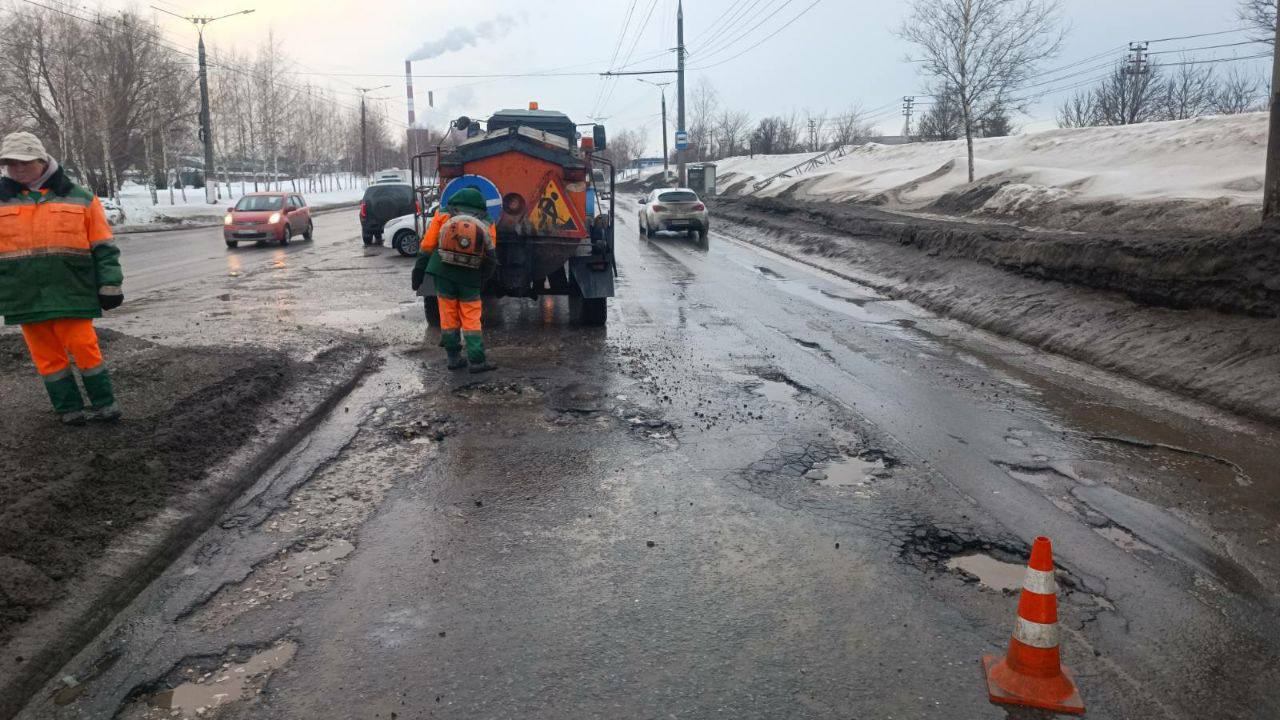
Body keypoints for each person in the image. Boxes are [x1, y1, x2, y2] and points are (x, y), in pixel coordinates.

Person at [0, 132, 124, 425]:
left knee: (84, 346)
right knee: (47, 357)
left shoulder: (80, 197)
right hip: (24, 294)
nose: (17, 169)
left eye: (24, 162)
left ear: (42, 161)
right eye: (9, 163)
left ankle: (105, 403)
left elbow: (104, 247)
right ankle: (69, 409)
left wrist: (111, 284)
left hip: (72, 289)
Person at [411, 188, 497, 373]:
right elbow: (490, 255)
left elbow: (428, 243)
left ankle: (453, 358)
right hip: (470, 275)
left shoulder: (442, 215)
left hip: (442, 271)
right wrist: (483, 279)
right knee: (471, 317)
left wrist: (419, 269)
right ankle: (477, 361)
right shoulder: (487, 221)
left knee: (448, 315)